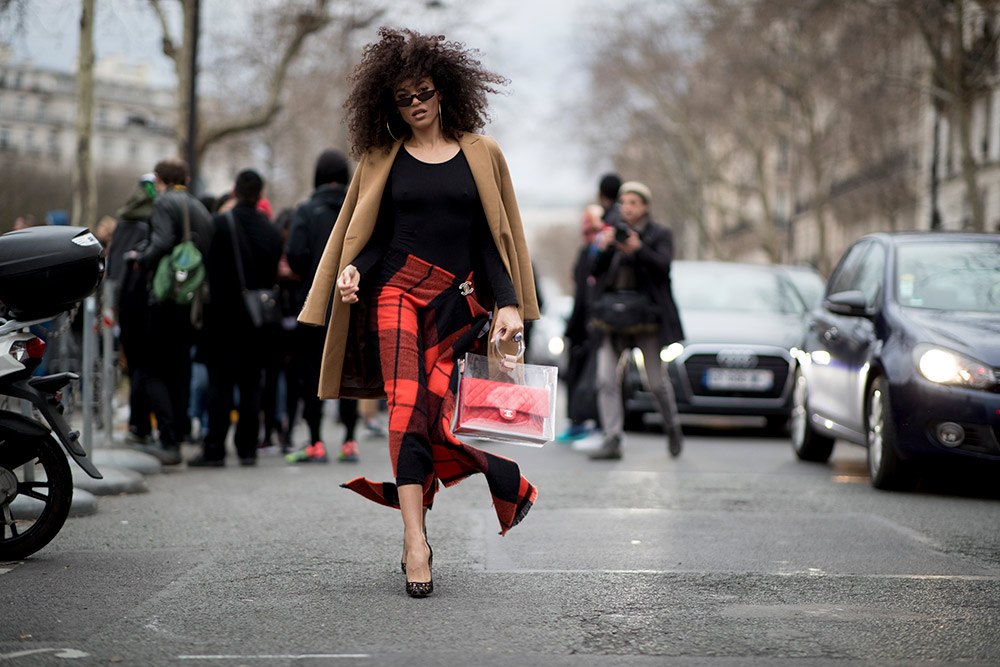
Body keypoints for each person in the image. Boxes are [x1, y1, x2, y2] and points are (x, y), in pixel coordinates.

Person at [297, 27, 540, 598]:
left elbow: (493, 238)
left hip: (459, 303)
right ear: (390, 103)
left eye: (423, 92)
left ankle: (501, 475)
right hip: (395, 294)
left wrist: (508, 303)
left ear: (443, 88)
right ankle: (415, 541)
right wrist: (352, 269)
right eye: (403, 98)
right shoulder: (381, 157)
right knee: (406, 411)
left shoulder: (483, 153)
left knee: (433, 421)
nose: (415, 105)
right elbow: (372, 234)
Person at [189, 169, 282, 467]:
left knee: (221, 385)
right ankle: (247, 448)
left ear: (234, 191)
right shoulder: (270, 230)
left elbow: (207, 268)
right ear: (260, 194)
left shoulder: (219, 225)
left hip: (223, 320)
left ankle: (215, 447)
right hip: (258, 322)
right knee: (252, 385)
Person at [587, 181, 685, 461]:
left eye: (633, 202)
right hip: (611, 319)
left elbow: (663, 267)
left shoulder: (659, 234)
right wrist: (604, 248)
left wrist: (638, 249)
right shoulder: (610, 233)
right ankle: (612, 438)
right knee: (605, 379)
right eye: (623, 202)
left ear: (645, 207)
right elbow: (592, 271)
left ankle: (672, 425)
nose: (626, 208)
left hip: (646, 320)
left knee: (655, 382)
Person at [126, 158, 213, 465]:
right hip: (192, 301)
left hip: (166, 299)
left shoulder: (163, 203)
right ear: (186, 180)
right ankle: (177, 434)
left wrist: (141, 257)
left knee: (152, 369)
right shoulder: (200, 207)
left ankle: (167, 439)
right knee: (180, 369)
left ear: (159, 181)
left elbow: (161, 242)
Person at [285, 148, 360, 464]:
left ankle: (315, 442)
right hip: (352, 302)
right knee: (350, 373)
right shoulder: (357, 208)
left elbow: (295, 255)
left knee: (311, 374)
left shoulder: (305, 210)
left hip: (314, 304)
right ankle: (349, 442)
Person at [107, 174, 156, 445]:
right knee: (144, 367)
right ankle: (142, 425)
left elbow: (114, 264)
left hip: (123, 302)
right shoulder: (151, 222)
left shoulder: (123, 220)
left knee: (133, 365)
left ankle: (137, 425)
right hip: (143, 301)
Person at [558, 202, 608, 442]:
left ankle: (594, 425)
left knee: (595, 378)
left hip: (595, 324)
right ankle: (577, 423)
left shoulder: (600, 251)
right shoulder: (584, 252)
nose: (590, 232)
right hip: (579, 325)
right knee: (575, 374)